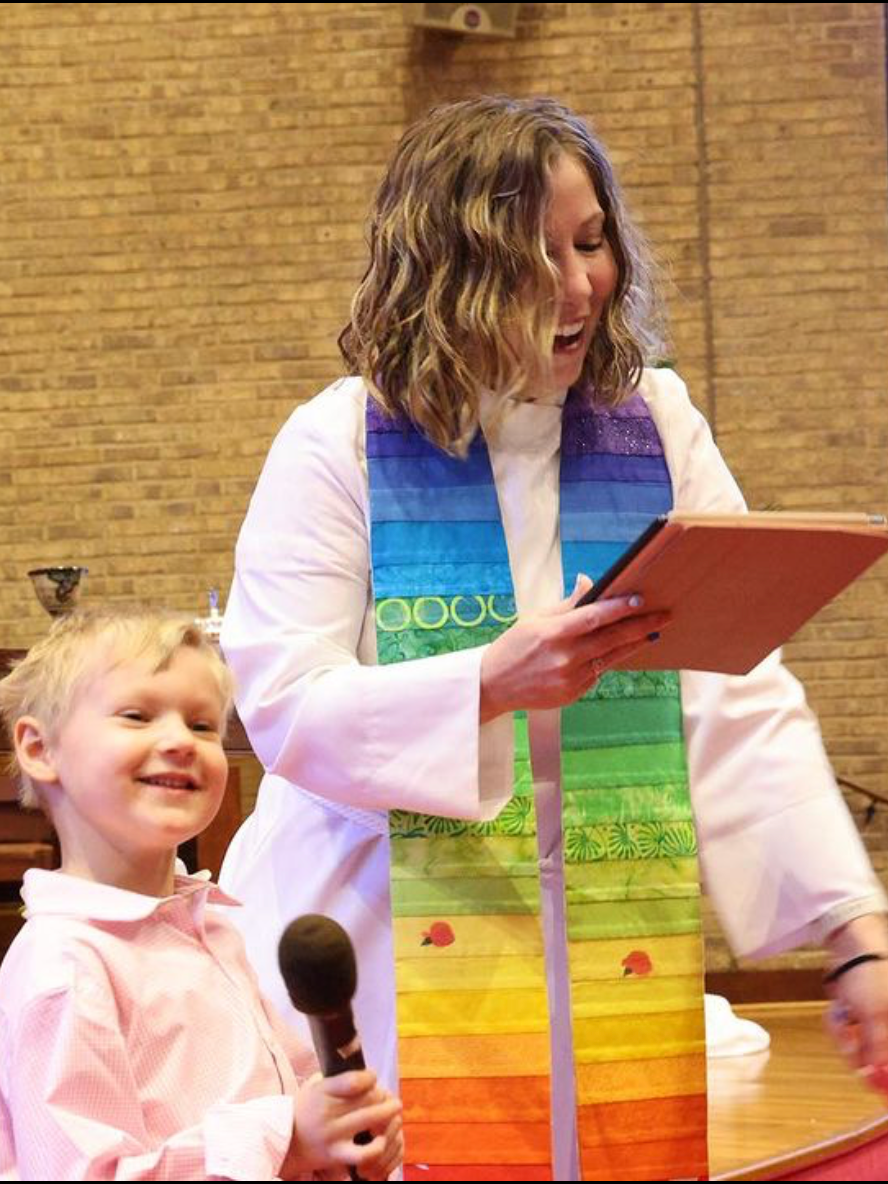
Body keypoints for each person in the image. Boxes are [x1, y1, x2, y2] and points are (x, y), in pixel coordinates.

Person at [218, 95, 888, 1180]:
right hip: (390, 929)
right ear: (450, 271)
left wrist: (855, 933)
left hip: (603, 933)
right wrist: (486, 681)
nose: (580, 286)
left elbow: (732, 683)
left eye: (592, 243)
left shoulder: (654, 424)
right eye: (536, 258)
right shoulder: (337, 442)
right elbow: (284, 704)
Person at [0, 608, 403, 1181]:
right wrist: (287, 1140)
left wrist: (337, 1135)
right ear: (40, 749)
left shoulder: (209, 927)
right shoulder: (65, 968)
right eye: (137, 716)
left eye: (202, 725)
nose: (180, 741)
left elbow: (282, 1084)